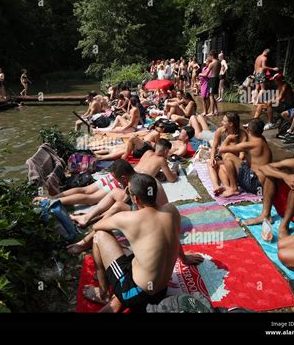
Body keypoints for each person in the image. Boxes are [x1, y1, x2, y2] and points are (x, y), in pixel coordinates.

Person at [82, 173, 204, 312]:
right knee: (128, 251)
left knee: (100, 237)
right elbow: (174, 236)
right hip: (160, 292)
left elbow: (97, 227)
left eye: (129, 191)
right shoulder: (171, 210)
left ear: (135, 198)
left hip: (136, 295)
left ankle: (104, 293)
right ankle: (118, 300)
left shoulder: (128, 218)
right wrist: (184, 258)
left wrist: (115, 215)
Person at [69, 160, 168, 229]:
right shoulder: (138, 175)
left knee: (117, 207)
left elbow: (145, 207)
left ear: (124, 177)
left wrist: (112, 211)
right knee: (115, 192)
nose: (119, 183)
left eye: (119, 181)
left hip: (156, 214)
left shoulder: (135, 184)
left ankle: (88, 238)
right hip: (154, 206)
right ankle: (87, 218)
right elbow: (125, 197)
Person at [217, 118, 273, 198]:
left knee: (228, 156)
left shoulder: (251, 144)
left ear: (248, 130)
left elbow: (222, 149)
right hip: (263, 184)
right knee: (222, 167)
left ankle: (233, 188)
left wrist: (228, 139)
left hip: (255, 184)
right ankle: (228, 186)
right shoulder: (262, 140)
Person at [208, 113, 248, 196]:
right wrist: (212, 157)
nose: (221, 122)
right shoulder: (220, 131)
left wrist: (235, 165)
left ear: (230, 124)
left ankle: (228, 186)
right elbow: (214, 147)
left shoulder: (242, 134)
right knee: (210, 163)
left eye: (224, 121)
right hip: (222, 159)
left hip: (234, 161)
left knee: (222, 167)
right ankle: (216, 186)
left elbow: (242, 154)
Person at [93, 120, 164, 161]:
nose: (163, 128)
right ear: (156, 127)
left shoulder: (155, 132)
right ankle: (96, 152)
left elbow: (156, 147)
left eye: (163, 127)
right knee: (119, 147)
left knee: (124, 146)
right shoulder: (155, 132)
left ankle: (99, 155)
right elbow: (157, 145)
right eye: (161, 127)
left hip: (143, 148)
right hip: (142, 147)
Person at [199, 50, 221, 116]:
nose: (209, 57)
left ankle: (212, 112)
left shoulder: (212, 63)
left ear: (212, 56)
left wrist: (200, 74)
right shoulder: (219, 62)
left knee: (211, 96)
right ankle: (216, 111)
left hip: (212, 79)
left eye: (209, 56)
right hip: (217, 79)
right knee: (213, 96)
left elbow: (206, 74)